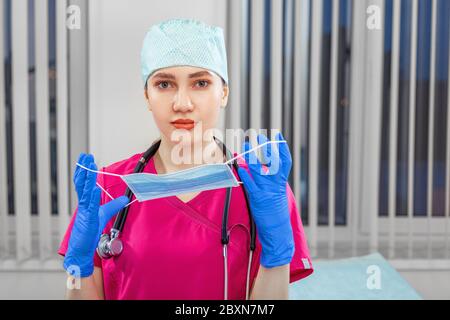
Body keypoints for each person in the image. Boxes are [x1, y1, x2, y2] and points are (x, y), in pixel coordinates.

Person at [58, 18, 313, 300]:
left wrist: (276, 257)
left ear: (223, 93)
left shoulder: (264, 190)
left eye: (201, 83)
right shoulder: (106, 189)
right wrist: (78, 268)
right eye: (164, 84)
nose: (182, 103)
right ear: (147, 95)